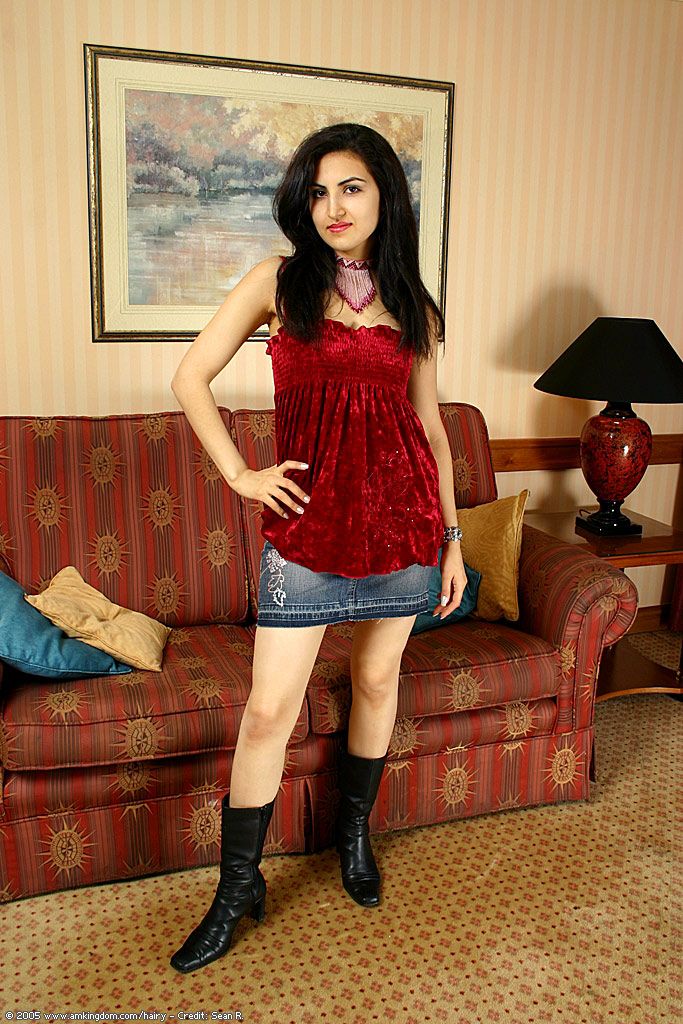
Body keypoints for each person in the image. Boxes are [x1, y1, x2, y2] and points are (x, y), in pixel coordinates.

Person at [169, 123, 467, 974]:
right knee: (268, 712)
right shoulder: (278, 281)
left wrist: (451, 540)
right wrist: (240, 473)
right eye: (317, 191)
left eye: (351, 187)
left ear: (384, 195)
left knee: (375, 680)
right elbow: (190, 377)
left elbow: (430, 430)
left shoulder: (415, 306)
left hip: (404, 525)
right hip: (308, 530)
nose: (332, 206)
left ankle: (352, 836)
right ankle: (237, 887)